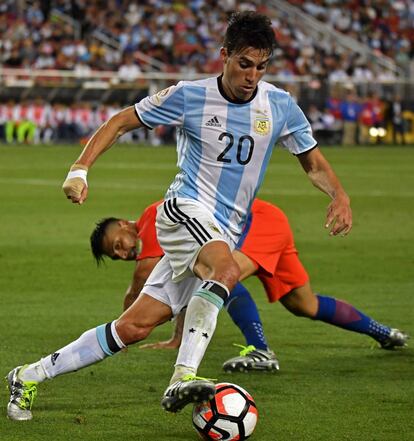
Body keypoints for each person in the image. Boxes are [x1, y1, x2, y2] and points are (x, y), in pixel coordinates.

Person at [7, 11, 353, 421]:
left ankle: (28, 375)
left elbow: (312, 162)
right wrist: (79, 170)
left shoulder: (279, 105)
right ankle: (182, 377)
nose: (252, 76)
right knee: (224, 271)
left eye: (261, 66)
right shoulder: (189, 96)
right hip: (183, 211)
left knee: (132, 328)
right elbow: (120, 122)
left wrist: (339, 194)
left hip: (222, 229)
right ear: (223, 55)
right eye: (244, 64)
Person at [90, 199, 408, 370]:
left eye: (118, 243)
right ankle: (386, 333)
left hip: (256, 223)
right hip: (267, 220)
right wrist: (176, 336)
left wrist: (124, 323)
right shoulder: (158, 236)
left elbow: (143, 277)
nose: (122, 253)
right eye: (114, 255)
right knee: (304, 304)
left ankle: (260, 350)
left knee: (220, 277)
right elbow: (183, 286)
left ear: (125, 225)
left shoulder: (151, 217)